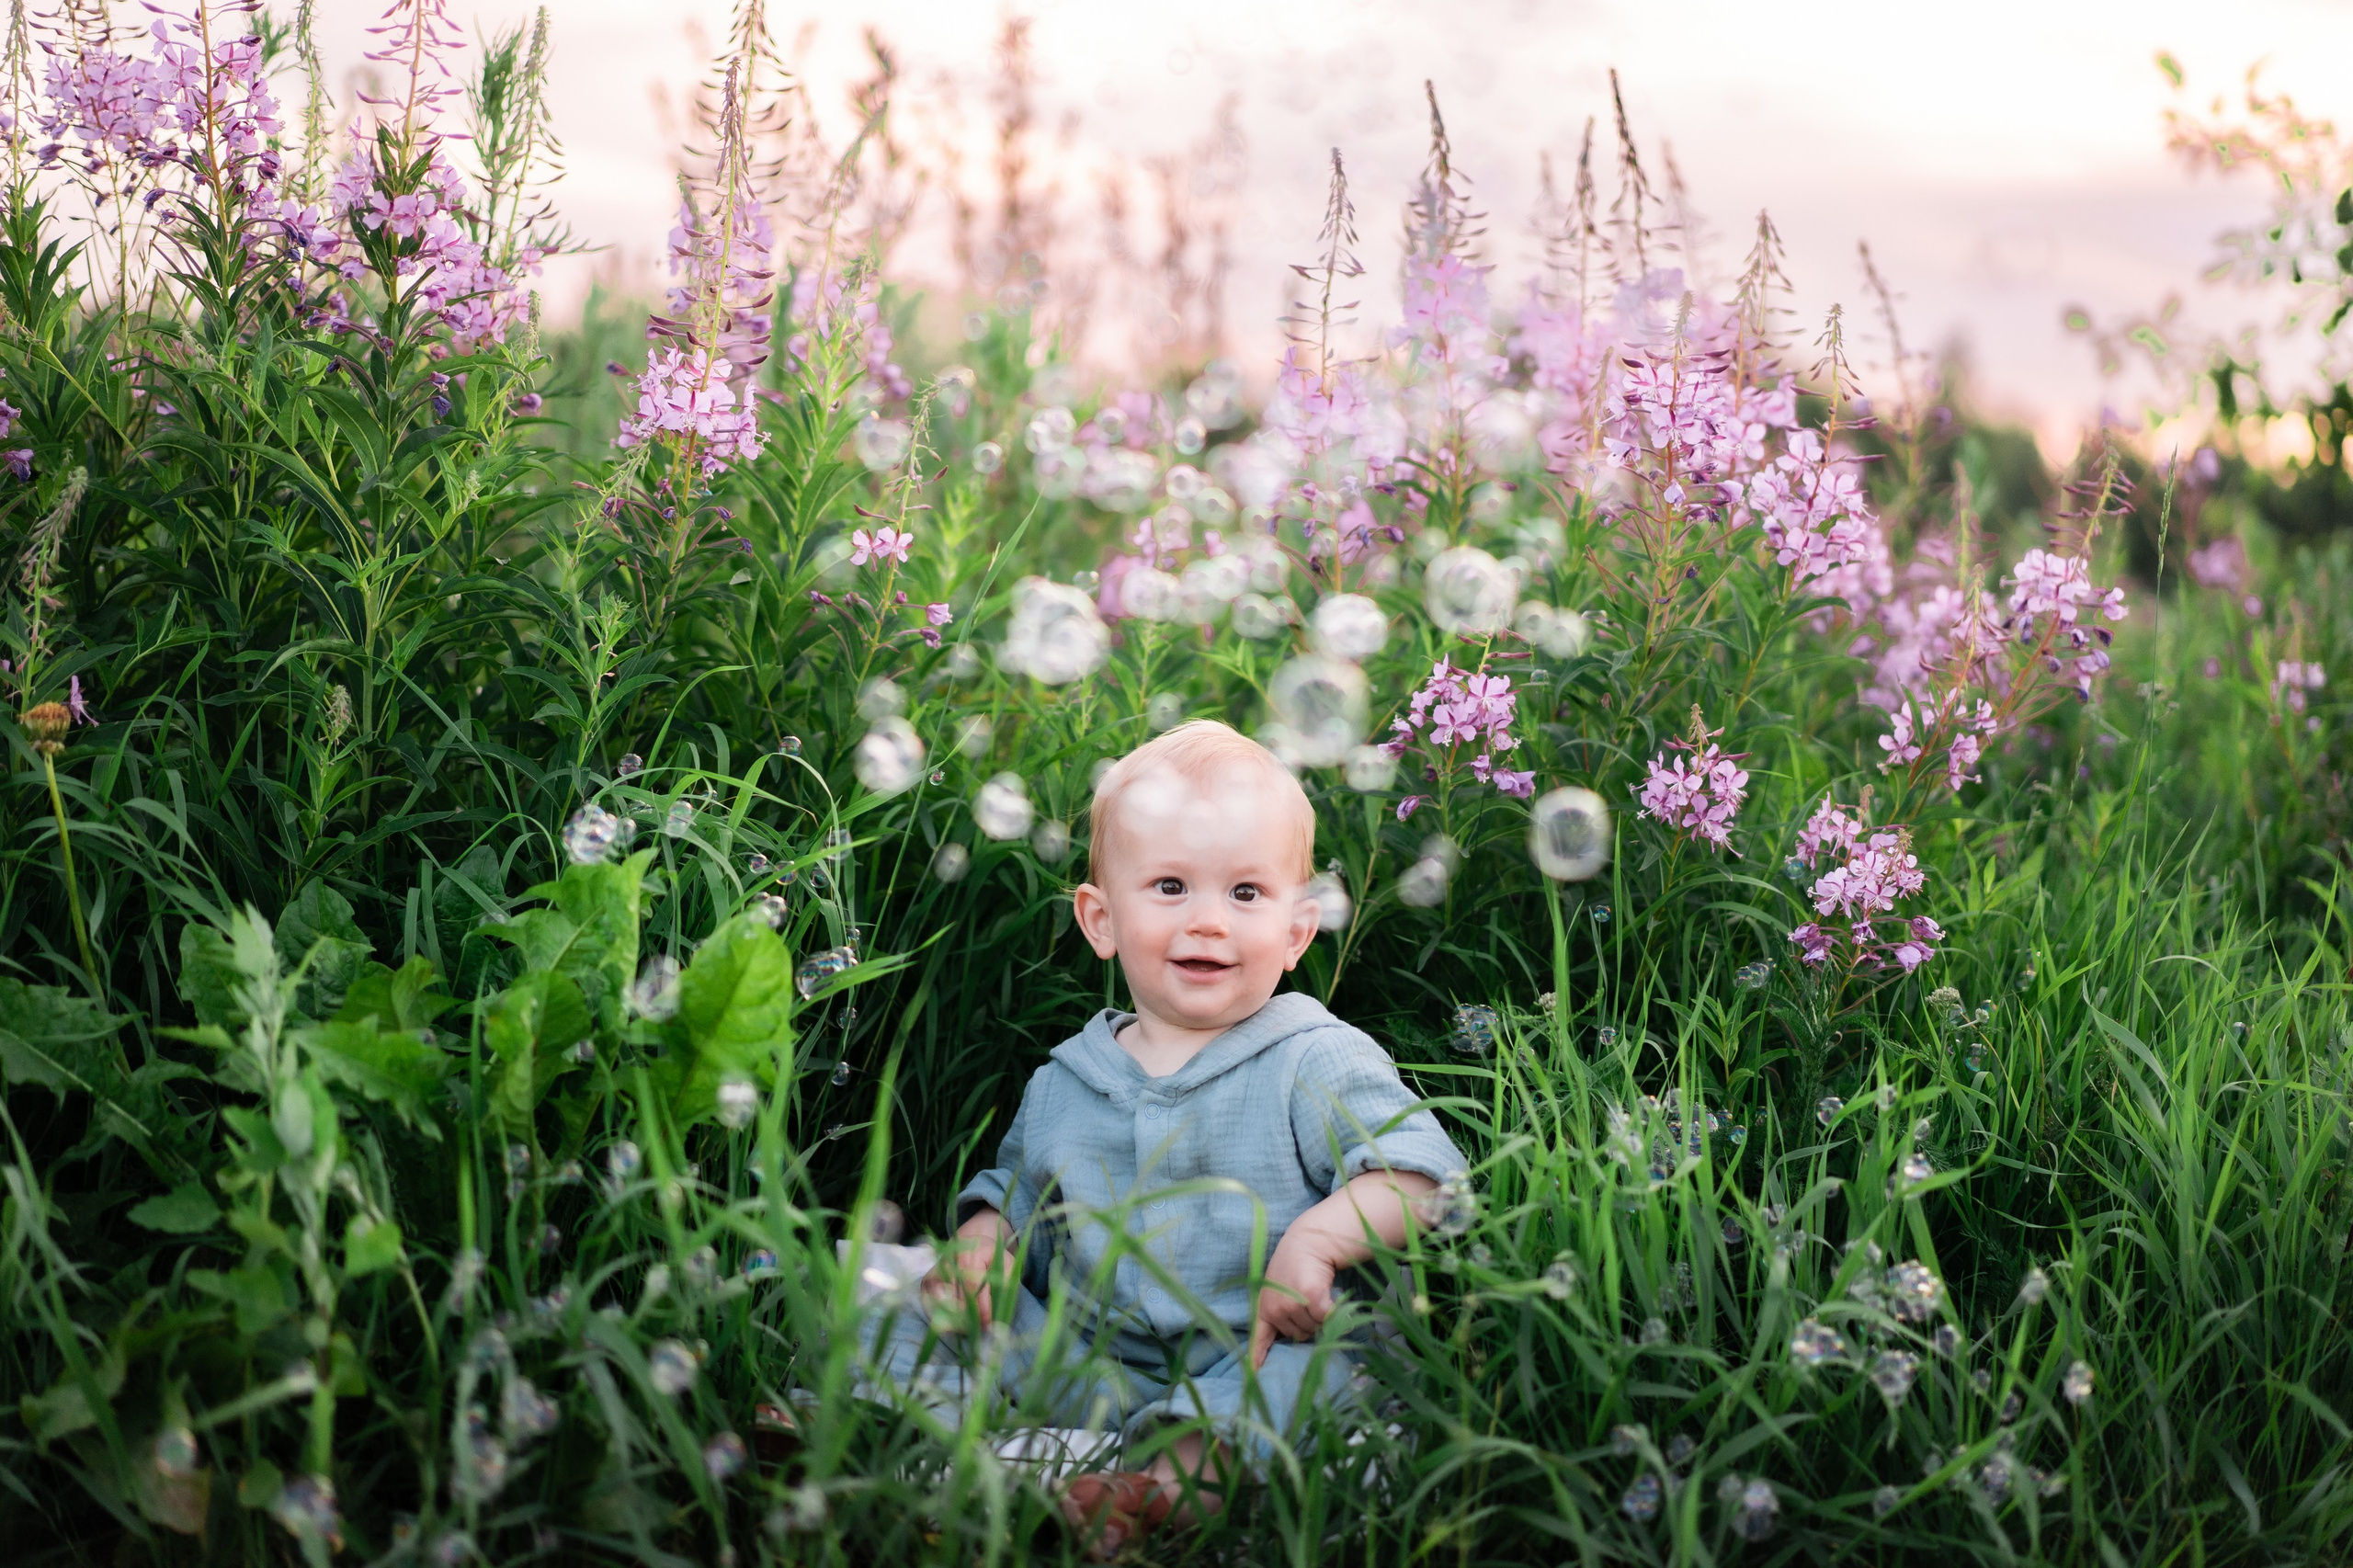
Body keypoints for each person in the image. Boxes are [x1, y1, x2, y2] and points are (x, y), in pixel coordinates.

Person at [870, 720, 1468, 1560]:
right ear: (1100, 918)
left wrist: (1319, 1241)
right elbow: (1017, 1188)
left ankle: (1149, 1494)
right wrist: (985, 1245)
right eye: (1170, 886)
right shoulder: (1068, 1077)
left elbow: (1422, 1176)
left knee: (1339, 1377)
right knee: (907, 1299)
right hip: (1086, 1357)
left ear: (1298, 932)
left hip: (1259, 1350)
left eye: (1246, 894)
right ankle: (864, 1423)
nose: (1209, 923)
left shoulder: (1314, 1055)